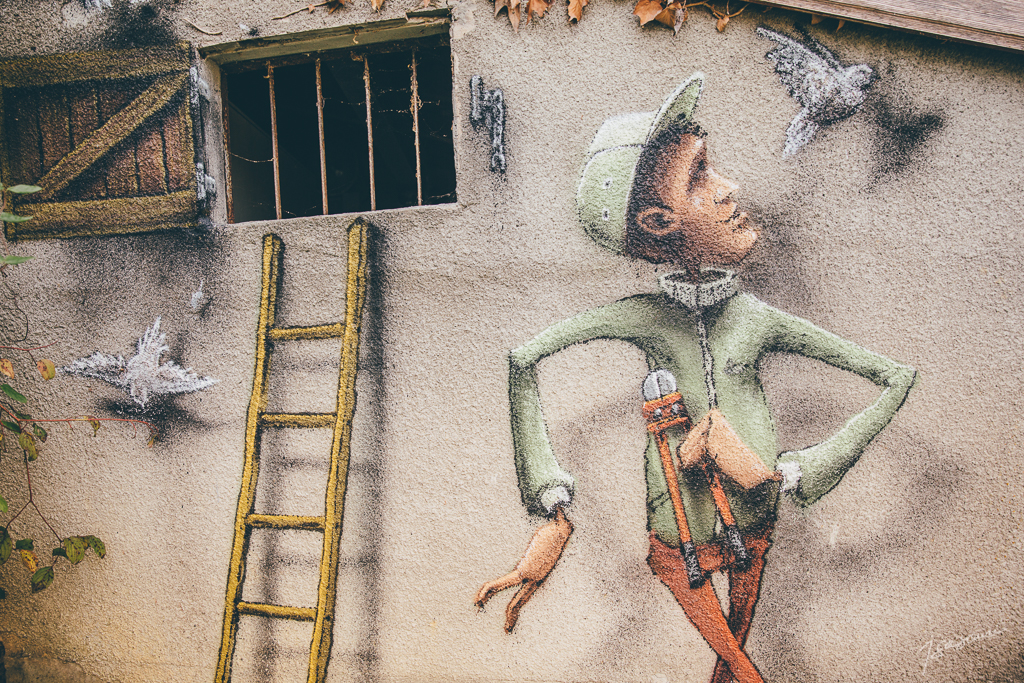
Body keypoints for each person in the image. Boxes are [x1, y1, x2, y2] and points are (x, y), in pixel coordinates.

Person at [474, 73, 916, 683]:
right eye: (700, 175)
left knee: (731, 668)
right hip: (673, 531)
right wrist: (551, 499)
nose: (729, 188)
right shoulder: (644, 318)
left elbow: (896, 377)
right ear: (659, 222)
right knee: (740, 668)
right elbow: (524, 359)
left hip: (756, 515)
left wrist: (802, 470)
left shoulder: (755, 319)